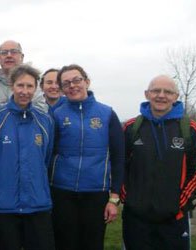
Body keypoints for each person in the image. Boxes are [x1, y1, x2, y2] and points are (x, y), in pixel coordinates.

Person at [121, 75, 196, 250]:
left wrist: (180, 202)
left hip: (174, 219)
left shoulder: (189, 128)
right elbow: (119, 166)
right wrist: (128, 198)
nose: (161, 95)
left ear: (176, 96)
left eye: (168, 92)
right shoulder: (131, 127)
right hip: (136, 218)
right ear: (147, 94)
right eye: (156, 91)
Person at [50, 64, 124, 250]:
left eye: (77, 80)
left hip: (96, 192)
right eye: (66, 83)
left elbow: (118, 157)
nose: (72, 86)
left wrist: (114, 198)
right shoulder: (56, 114)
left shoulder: (107, 114)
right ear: (62, 89)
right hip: (62, 191)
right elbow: (48, 154)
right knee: (64, 243)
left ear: (87, 81)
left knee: (92, 244)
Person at [0, 64, 55, 250]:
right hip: (3, 204)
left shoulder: (45, 121)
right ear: (12, 85)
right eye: (20, 85)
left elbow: (45, 159)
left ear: (36, 88)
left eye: (30, 86)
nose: (24, 91)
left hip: (37, 203)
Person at [0, 40, 47, 113]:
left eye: (14, 52)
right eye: (4, 53)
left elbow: (41, 112)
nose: (9, 55)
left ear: (22, 57)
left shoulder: (33, 84)